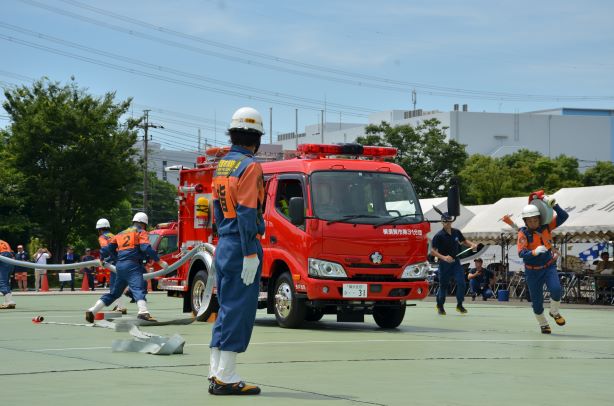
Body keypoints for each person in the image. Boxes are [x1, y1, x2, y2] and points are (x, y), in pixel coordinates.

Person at [208, 107, 265, 396]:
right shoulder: (249, 165)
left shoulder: (221, 166)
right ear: (255, 138)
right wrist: (250, 252)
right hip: (243, 244)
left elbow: (217, 210)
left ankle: (216, 371)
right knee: (240, 310)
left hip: (225, 243)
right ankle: (227, 377)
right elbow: (246, 212)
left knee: (226, 308)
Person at [85, 213, 167, 322]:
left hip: (120, 266)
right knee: (138, 288)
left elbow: (107, 249)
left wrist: (108, 258)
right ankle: (143, 312)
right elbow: (146, 247)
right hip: (133, 266)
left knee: (114, 293)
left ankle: (93, 310)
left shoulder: (120, 233)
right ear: (144, 224)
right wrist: (159, 261)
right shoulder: (140, 232)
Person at [517, 195, 569, 334]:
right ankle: (543, 323)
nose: (533, 222)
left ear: (540, 218)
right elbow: (521, 253)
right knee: (537, 303)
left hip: (548, 266)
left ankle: (554, 311)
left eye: (536, 219)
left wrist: (553, 204)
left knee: (557, 289)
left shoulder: (546, 227)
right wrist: (533, 252)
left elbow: (564, 216)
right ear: (525, 221)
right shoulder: (523, 234)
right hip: (532, 271)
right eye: (530, 220)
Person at [430, 212, 478, 315]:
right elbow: (432, 251)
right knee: (443, 286)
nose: (447, 223)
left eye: (449, 220)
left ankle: (459, 305)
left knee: (461, 283)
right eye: (445, 221)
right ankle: (440, 306)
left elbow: (464, 241)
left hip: (456, 263)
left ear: (451, 221)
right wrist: (444, 257)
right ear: (442, 222)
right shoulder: (439, 235)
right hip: (444, 264)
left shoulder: (456, 232)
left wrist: (472, 244)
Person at [96, 218, 127, 312]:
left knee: (114, 286)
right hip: (123, 260)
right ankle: (120, 306)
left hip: (116, 263)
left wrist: (102, 259)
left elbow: (106, 249)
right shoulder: (114, 235)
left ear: (99, 229)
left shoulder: (102, 237)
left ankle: (120, 307)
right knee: (118, 285)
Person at [0, 240, 16, 309]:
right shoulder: (3, 242)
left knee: (2, 281)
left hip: (3, 257)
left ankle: (9, 301)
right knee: (6, 281)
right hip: (10, 258)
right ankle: (8, 300)